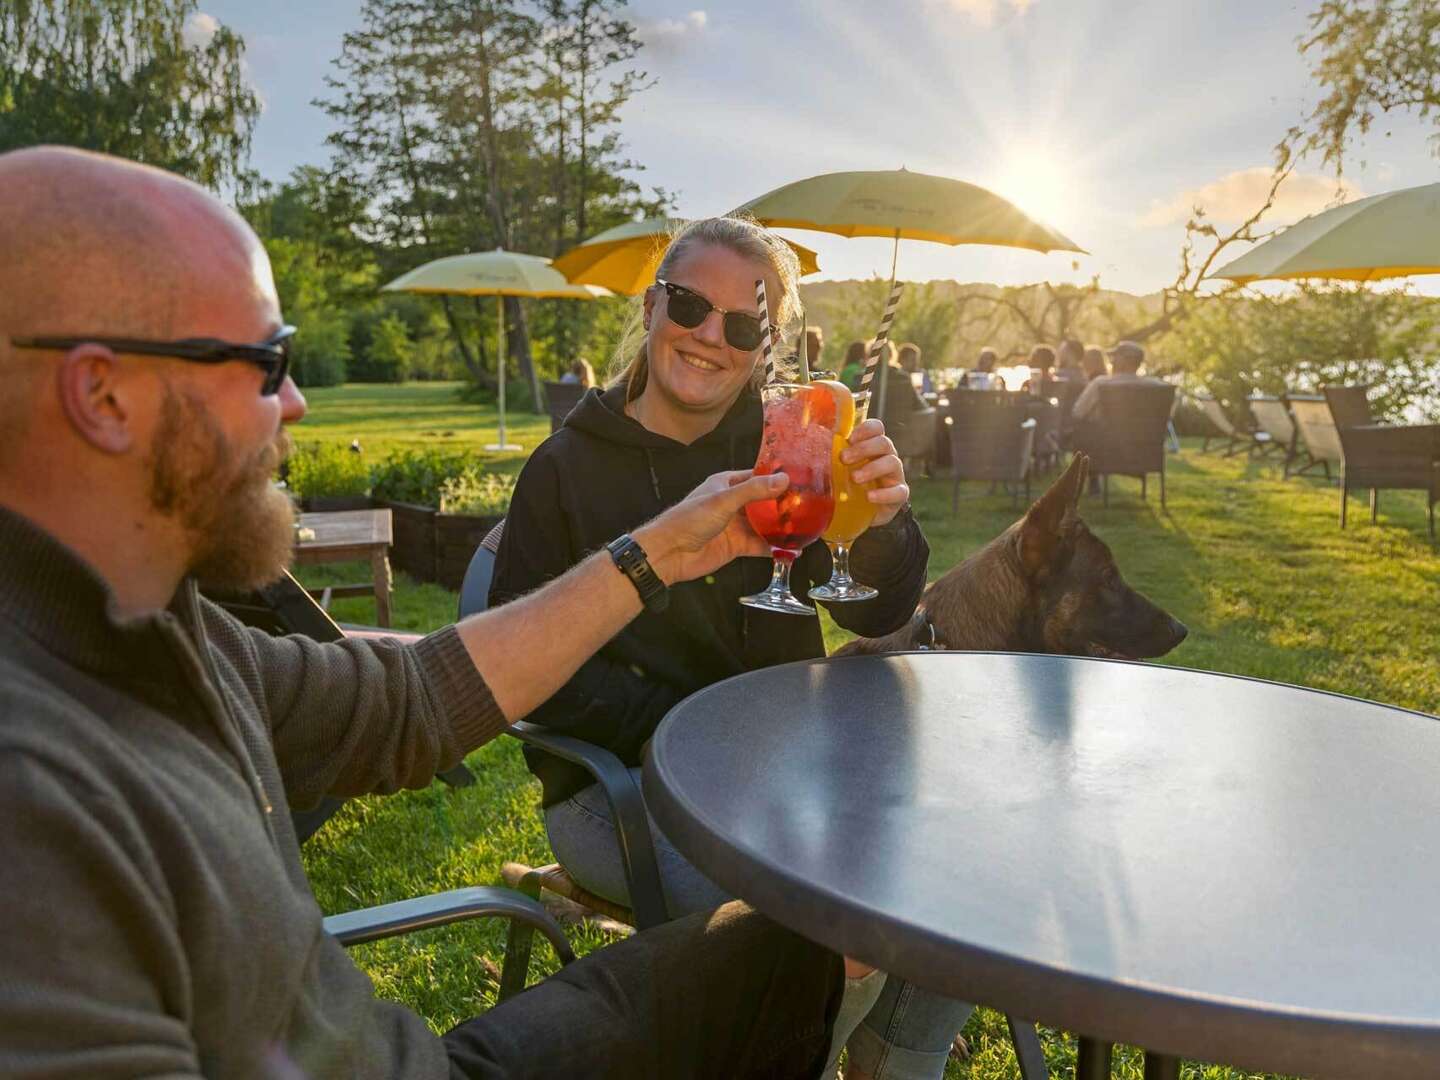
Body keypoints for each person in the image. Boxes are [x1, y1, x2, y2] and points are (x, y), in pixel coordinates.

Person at [0, 147, 854, 1080]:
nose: (297, 401)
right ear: (102, 396)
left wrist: (652, 559)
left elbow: (410, 698)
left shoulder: (162, 633)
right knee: (831, 932)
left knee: (828, 936)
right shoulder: (35, 794)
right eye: (263, 361)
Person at [490, 216, 968, 1080]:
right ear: (651, 305)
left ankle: (890, 1063)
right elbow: (533, 684)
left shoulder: (787, 443)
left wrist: (887, 525)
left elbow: (870, 611)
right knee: (835, 926)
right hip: (621, 790)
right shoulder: (564, 470)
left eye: (742, 325)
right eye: (689, 306)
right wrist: (703, 731)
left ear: (767, 345)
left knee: (946, 876)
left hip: (786, 777)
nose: (711, 337)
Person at [1070, 339, 1166, 423]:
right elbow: (1166, 415)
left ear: (1124, 361)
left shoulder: (1100, 383)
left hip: (1104, 442)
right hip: (1145, 442)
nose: (1112, 361)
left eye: (1115, 357)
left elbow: (1077, 412)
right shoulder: (1157, 386)